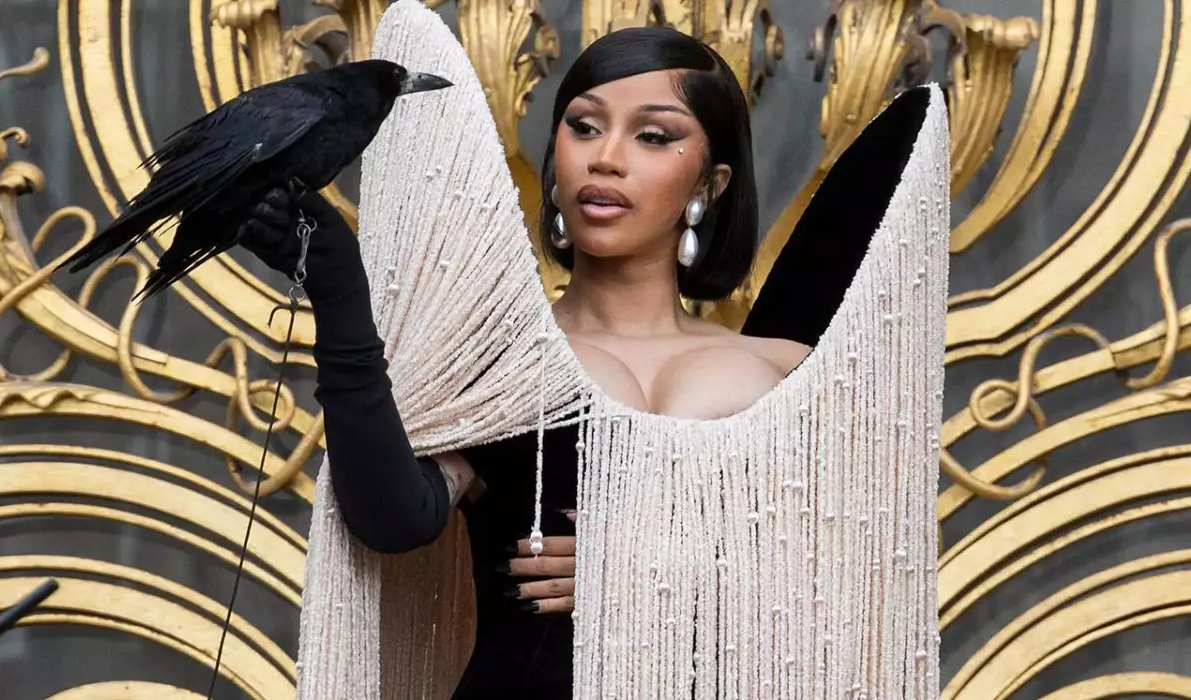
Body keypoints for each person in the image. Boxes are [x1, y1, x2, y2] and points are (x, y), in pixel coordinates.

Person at [242, 2, 947, 698]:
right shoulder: (494, 362)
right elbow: (393, 520)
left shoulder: (793, 376)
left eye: (653, 136)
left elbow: (862, 598)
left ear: (710, 185)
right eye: (584, 127)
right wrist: (340, 295)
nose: (606, 158)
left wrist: (652, 579)